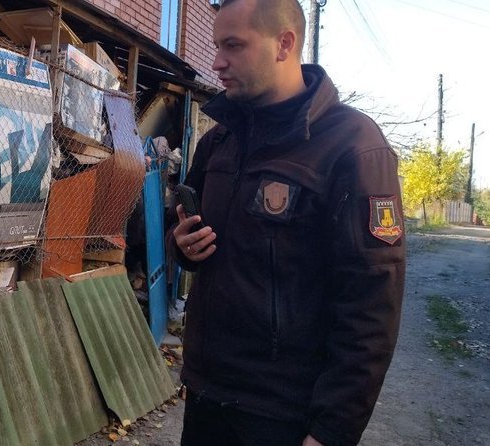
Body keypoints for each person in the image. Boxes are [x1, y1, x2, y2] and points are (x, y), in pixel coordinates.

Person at [168, 0, 405, 445]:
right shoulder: (219, 139)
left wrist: (333, 431)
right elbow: (184, 232)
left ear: (284, 44)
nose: (217, 62)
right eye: (216, 45)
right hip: (206, 395)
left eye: (233, 45)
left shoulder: (353, 146)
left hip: (284, 415)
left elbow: (372, 303)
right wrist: (182, 245)